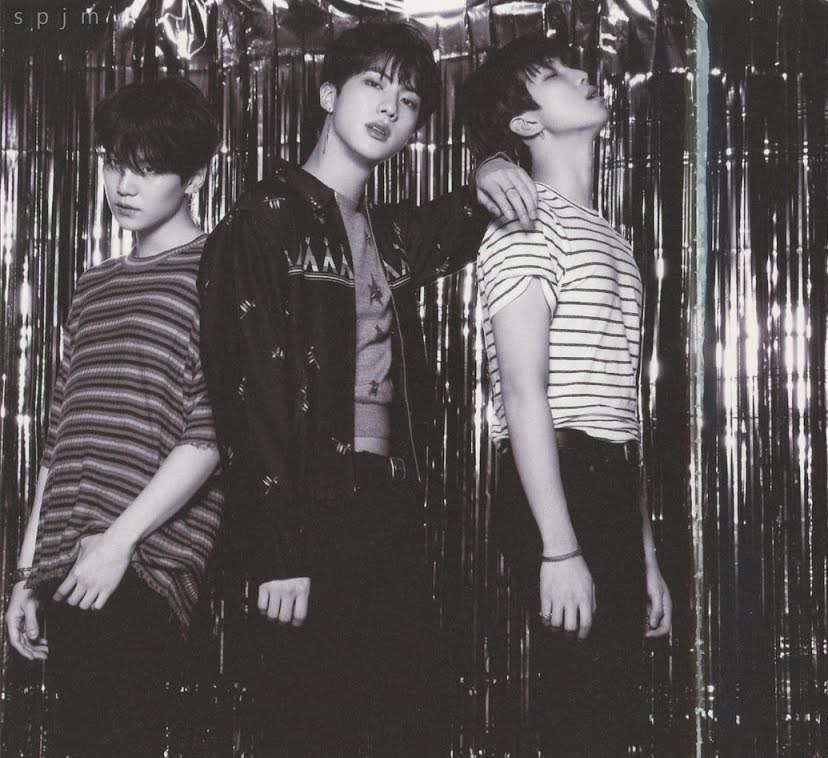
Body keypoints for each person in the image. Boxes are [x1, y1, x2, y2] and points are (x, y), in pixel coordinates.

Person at [197, 20, 537, 757]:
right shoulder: (262, 220)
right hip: (305, 506)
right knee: (310, 725)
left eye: (409, 101)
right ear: (328, 94)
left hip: (385, 498)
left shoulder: (390, 235)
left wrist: (490, 163)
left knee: (403, 720)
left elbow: (477, 207)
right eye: (373, 85)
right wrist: (278, 551)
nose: (390, 107)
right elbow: (247, 395)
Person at [462, 34, 673, 756]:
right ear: (526, 122)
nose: (585, 73)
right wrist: (558, 548)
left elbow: (619, 414)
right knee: (577, 712)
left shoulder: (611, 238)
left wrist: (645, 557)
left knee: (610, 713)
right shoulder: (525, 224)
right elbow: (524, 394)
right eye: (554, 75)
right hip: (558, 477)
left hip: (605, 475)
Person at [3, 77, 224, 757]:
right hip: (70, 561)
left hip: (143, 560)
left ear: (196, 176)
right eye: (113, 163)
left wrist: (118, 543)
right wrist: (27, 575)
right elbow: (60, 439)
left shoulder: (220, 272)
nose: (123, 186)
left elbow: (212, 430)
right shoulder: (93, 285)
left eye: (148, 168)